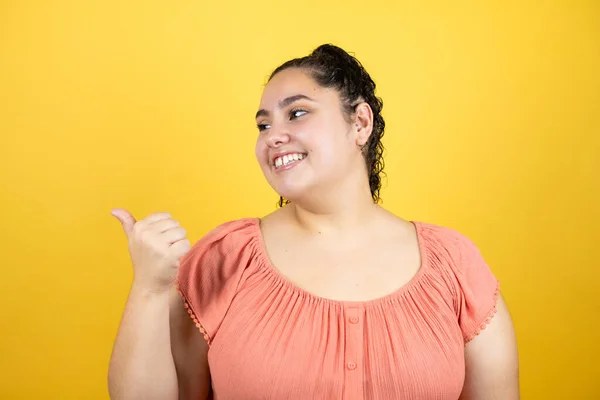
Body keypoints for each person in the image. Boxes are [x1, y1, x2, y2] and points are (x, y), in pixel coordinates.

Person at [107, 44, 520, 400]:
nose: (272, 135)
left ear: (359, 123)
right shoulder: (225, 258)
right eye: (263, 124)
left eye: (297, 113)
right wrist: (149, 287)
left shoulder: (455, 265)